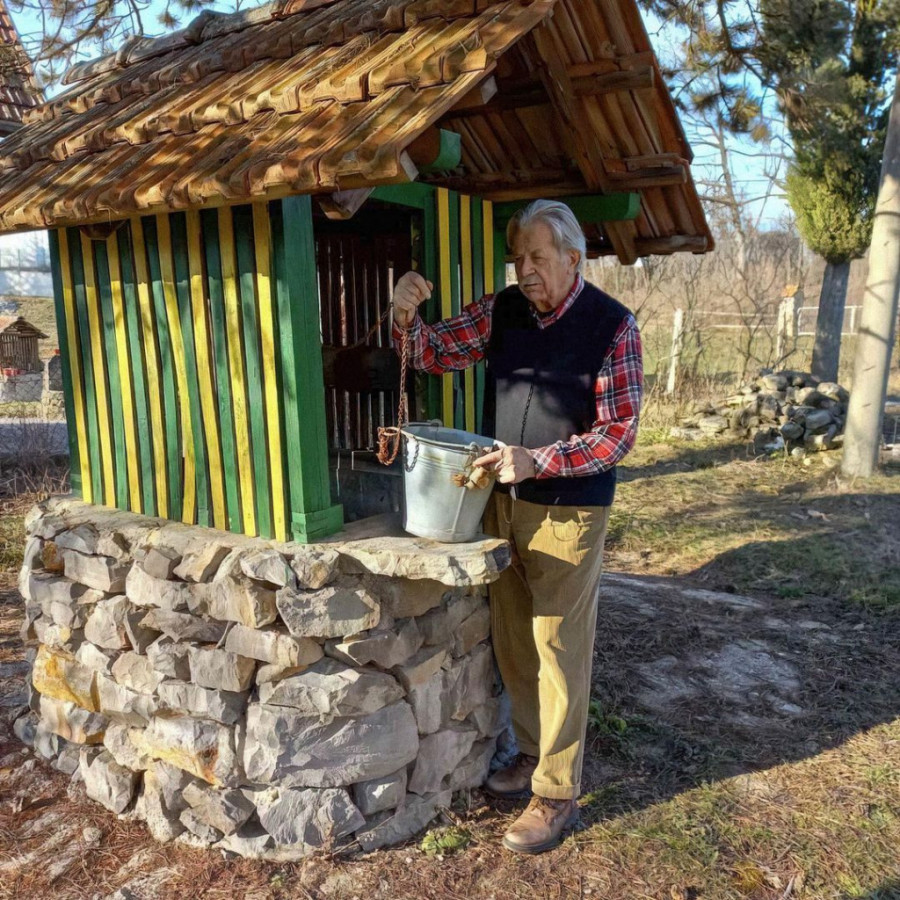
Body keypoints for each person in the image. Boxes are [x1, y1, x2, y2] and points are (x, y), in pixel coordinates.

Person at [390, 199, 643, 854]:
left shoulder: (612, 326)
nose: (524, 270)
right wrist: (404, 316)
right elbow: (433, 354)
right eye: (518, 258)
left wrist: (541, 460)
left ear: (571, 258)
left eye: (536, 257)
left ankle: (557, 793)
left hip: (570, 511)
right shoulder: (502, 309)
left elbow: (618, 434)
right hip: (501, 504)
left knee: (558, 647)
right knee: (515, 640)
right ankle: (532, 753)